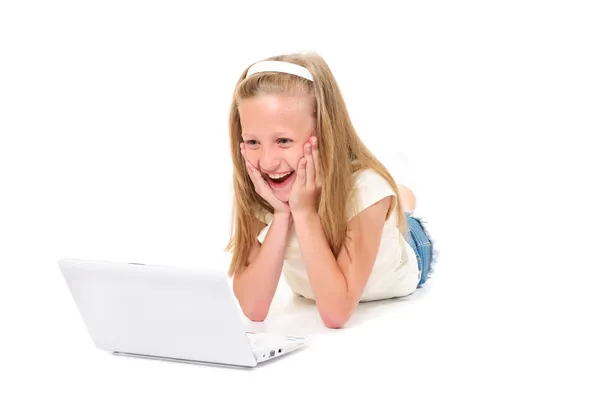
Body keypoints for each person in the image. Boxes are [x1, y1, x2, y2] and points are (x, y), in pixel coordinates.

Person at [225, 52, 437, 329]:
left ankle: (399, 198)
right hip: (351, 218)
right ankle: (400, 196)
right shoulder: (261, 186)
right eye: (252, 142)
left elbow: (336, 314)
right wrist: (280, 214)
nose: (266, 161)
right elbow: (253, 308)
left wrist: (304, 212)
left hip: (405, 253)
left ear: (324, 133)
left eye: (283, 140)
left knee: (395, 208)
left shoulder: (368, 191)